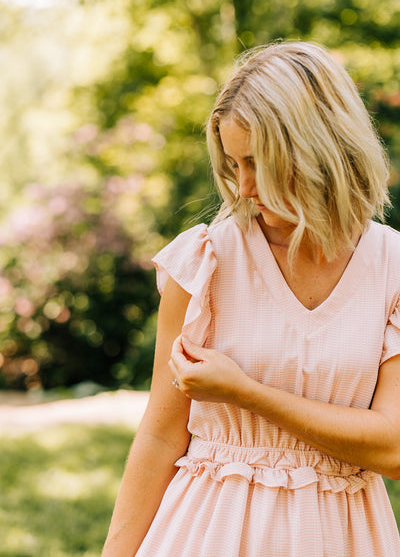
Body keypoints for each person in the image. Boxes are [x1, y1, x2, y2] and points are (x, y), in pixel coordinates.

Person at [102, 41, 400, 556]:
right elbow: (160, 435)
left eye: (260, 163)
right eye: (234, 164)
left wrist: (246, 392)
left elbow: (392, 447)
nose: (243, 187)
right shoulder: (206, 261)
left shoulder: (392, 267)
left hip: (344, 538)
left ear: (320, 149)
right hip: (205, 533)